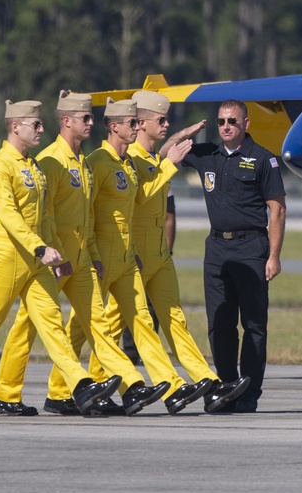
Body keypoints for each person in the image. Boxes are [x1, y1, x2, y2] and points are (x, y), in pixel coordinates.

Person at [0, 91, 170, 417]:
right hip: (52, 258)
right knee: (27, 328)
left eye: (91, 117)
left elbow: (89, 217)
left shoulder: (83, 164)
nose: (91, 123)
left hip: (83, 257)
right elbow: (43, 214)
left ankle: (130, 385)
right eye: (85, 118)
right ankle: (7, 393)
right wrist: (51, 253)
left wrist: (92, 253)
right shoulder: (49, 161)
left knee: (97, 323)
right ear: (67, 121)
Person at [0, 99, 121, 417]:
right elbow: (8, 213)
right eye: (35, 125)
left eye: (41, 124)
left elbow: (46, 218)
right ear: (15, 127)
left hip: (37, 259)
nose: (42, 129)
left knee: (52, 324)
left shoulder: (34, 167)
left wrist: (54, 250)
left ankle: (73, 384)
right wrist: (40, 248)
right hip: (5, 255)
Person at [85, 97, 212, 414]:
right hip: (115, 255)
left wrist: (176, 143)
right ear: (134, 124)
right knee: (95, 328)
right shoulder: (110, 161)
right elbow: (126, 204)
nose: (166, 124)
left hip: (141, 254)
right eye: (161, 120)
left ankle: (181, 384)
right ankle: (73, 388)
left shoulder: (132, 161)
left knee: (150, 321)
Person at [129, 90, 251, 413]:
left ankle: (207, 383)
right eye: (162, 120)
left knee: (174, 319)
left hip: (158, 255)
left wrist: (182, 137)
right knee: (114, 327)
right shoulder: (130, 159)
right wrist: (168, 165)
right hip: (133, 257)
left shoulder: (154, 157)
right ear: (141, 123)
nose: (168, 124)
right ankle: (64, 388)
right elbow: (140, 198)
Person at [182, 100, 286, 413]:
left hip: (251, 248)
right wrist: (190, 131)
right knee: (219, 323)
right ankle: (226, 387)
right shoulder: (207, 155)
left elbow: (277, 209)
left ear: (246, 124)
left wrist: (274, 256)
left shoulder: (262, 159)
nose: (226, 126)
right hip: (216, 249)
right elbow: (163, 152)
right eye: (221, 122)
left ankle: (249, 392)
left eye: (232, 121)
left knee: (253, 324)